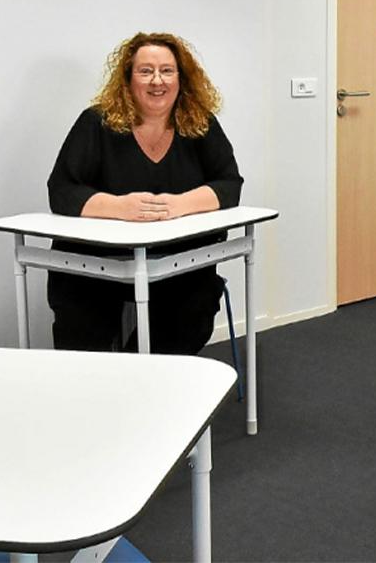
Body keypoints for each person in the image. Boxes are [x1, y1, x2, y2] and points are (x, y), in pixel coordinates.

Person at [46, 32, 243, 354]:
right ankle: (97, 385)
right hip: (95, 264)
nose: (157, 81)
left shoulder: (200, 123)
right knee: (80, 315)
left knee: (193, 307)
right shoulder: (96, 122)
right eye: (145, 71)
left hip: (181, 263)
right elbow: (62, 190)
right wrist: (119, 207)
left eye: (167, 70)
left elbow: (230, 184)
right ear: (128, 79)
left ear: (181, 78)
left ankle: (141, 378)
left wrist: (180, 205)